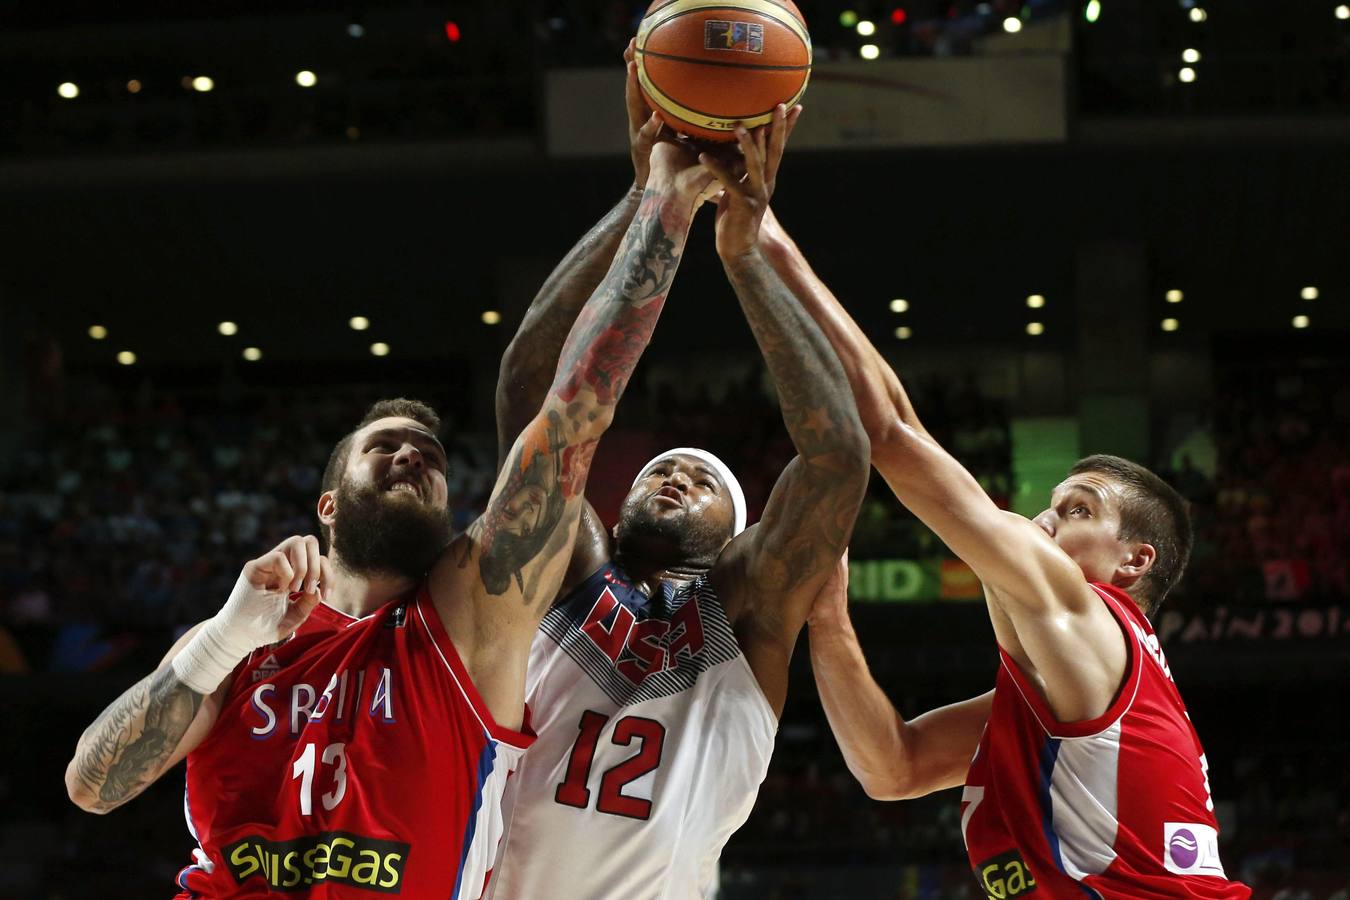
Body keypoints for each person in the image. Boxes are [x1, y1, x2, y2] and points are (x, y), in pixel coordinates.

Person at [63, 139, 723, 897]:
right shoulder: (237, 647)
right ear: (329, 504)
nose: (414, 458)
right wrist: (223, 639)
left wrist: (660, 206)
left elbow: (574, 411)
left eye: (431, 457)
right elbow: (95, 784)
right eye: (385, 448)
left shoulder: (474, 619)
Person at [763, 210, 1252, 897]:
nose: (1042, 520)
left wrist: (767, 245)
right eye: (1048, 504)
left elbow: (887, 430)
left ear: (1133, 562)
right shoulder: (1050, 702)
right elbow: (892, 767)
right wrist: (831, 619)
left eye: (1078, 509)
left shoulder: (1093, 619)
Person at [485, 63, 869, 900]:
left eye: (698, 479)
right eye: (661, 470)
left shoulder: (753, 615)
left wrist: (746, 255)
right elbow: (527, 384)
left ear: (739, 533)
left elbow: (839, 459)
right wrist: (643, 199)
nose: (672, 478)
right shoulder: (566, 574)